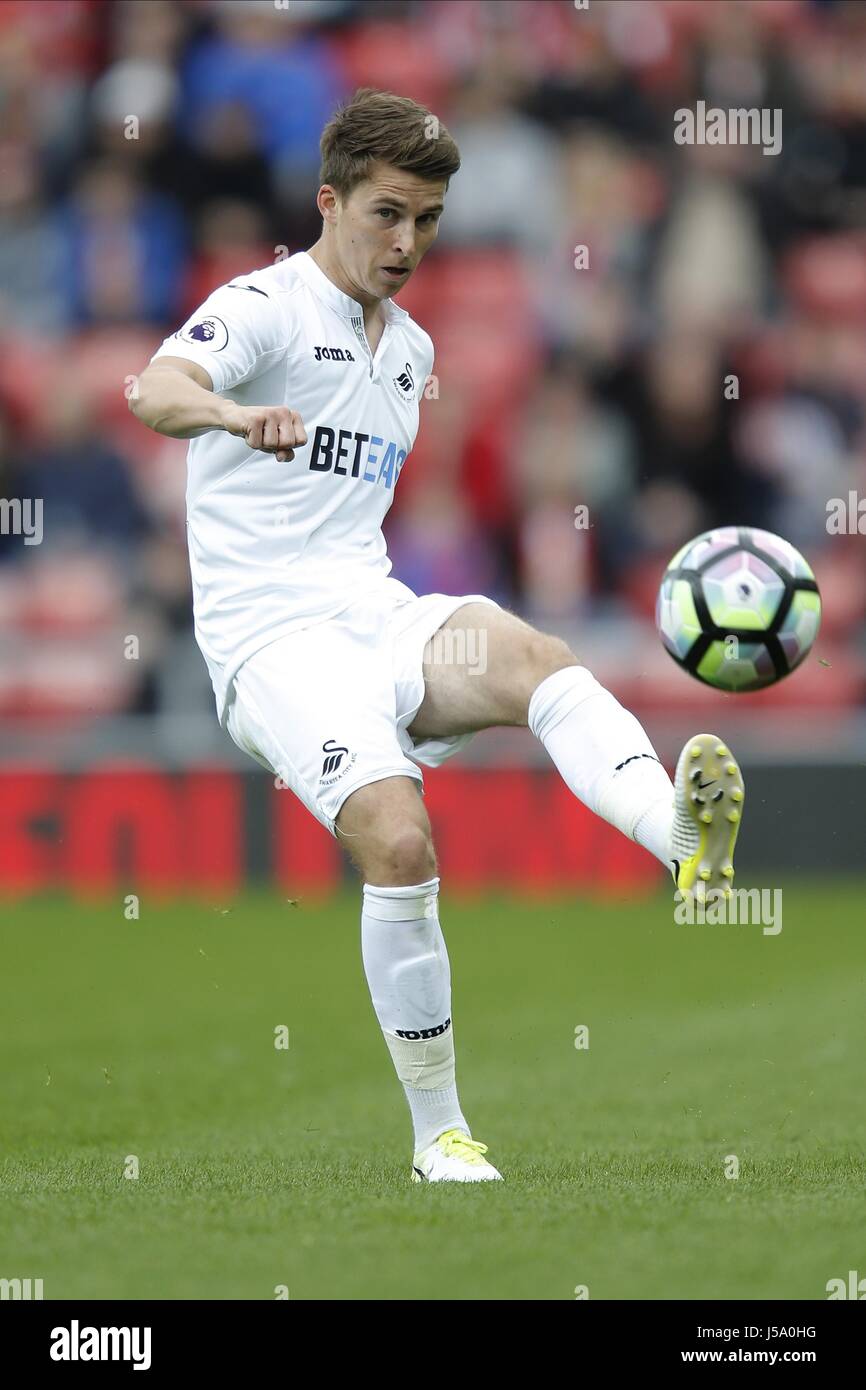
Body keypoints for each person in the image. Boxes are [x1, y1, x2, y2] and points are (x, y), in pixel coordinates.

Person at [131, 89, 744, 1184]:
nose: (406, 242)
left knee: (535, 660)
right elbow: (157, 387)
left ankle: (679, 843)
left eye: (425, 219)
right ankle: (437, 1136)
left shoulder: (408, 350)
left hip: (370, 613)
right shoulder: (263, 306)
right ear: (329, 202)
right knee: (401, 845)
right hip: (271, 644)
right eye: (385, 214)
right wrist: (230, 414)